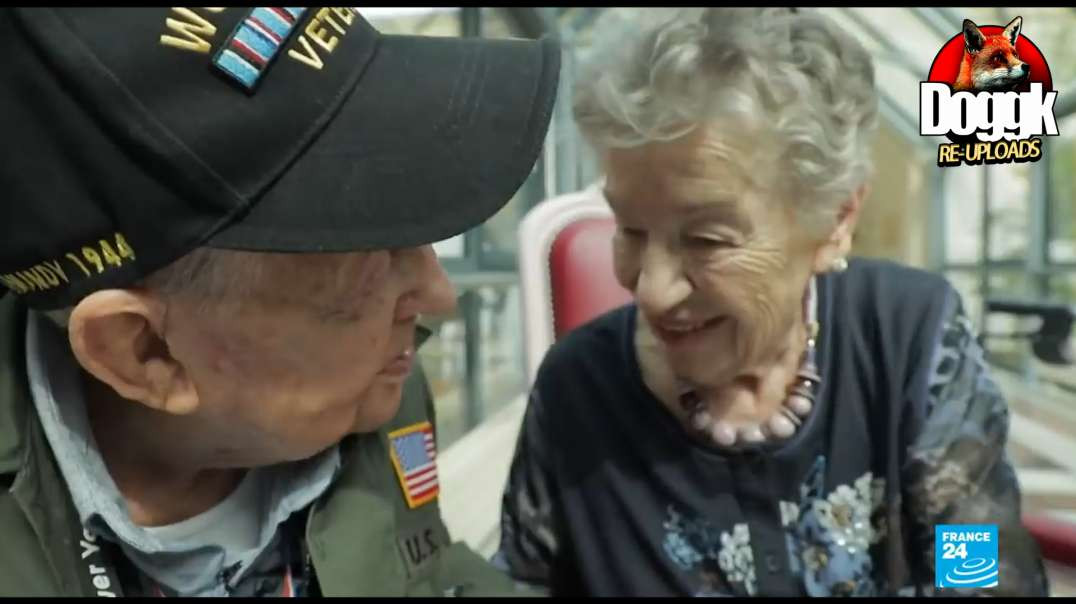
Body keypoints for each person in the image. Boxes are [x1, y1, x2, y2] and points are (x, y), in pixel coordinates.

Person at [0, 7, 557, 597]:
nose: (437, 297)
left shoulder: (367, 386)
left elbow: (430, 573)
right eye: (359, 265)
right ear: (146, 352)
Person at [496, 7, 1048, 597]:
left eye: (706, 239)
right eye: (629, 230)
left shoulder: (913, 338)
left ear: (835, 220)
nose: (651, 289)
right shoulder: (576, 391)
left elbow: (980, 574)